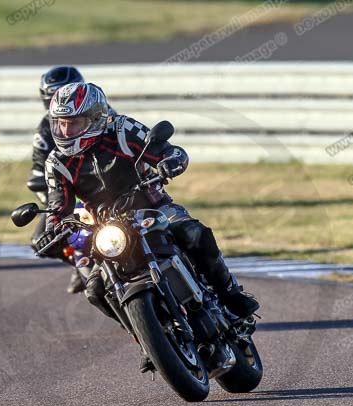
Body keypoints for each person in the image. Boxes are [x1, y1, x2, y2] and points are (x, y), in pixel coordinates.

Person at [35, 82, 259, 322]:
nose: (66, 132)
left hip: (155, 207)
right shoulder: (56, 163)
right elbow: (59, 206)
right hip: (107, 228)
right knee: (95, 291)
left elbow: (166, 150)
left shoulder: (122, 129)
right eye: (61, 124)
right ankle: (145, 340)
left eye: (74, 123)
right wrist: (52, 232)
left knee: (195, 234)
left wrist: (170, 160)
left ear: (95, 118)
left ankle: (230, 294)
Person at [28, 66, 88, 293]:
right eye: (54, 96)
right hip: (69, 194)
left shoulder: (102, 114)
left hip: (110, 188)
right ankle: (79, 262)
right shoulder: (44, 131)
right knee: (41, 242)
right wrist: (55, 202)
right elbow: (37, 171)